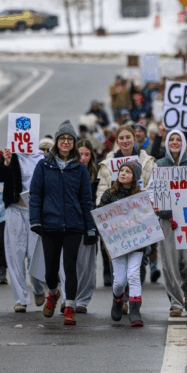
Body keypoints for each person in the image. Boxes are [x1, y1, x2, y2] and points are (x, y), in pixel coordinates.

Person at [29, 120, 98, 326]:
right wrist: (35, 220)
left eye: (70, 139)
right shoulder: (44, 165)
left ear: (74, 143)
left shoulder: (80, 169)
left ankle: (69, 307)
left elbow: (86, 200)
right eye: (62, 139)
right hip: (49, 224)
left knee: (70, 267)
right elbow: (36, 195)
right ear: (57, 142)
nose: (66, 142)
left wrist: (90, 226)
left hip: (74, 225)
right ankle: (53, 293)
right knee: (50, 270)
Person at [95, 124, 156, 287]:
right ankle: (121, 298)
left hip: (139, 219)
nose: (125, 141)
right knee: (118, 262)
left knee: (139, 261)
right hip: (116, 221)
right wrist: (103, 211)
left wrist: (150, 209)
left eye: (128, 137)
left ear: (134, 139)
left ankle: (134, 296)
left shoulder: (147, 161)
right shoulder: (108, 163)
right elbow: (102, 189)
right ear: (117, 140)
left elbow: (153, 186)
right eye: (121, 138)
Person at [0, 145, 47, 313]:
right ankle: (21, 299)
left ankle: (38, 288)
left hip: (35, 212)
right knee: (15, 255)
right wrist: (6, 162)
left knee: (34, 256)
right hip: (14, 209)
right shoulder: (12, 156)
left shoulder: (42, 158)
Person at [155, 129, 187, 316]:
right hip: (167, 219)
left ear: (184, 143)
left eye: (178, 140)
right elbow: (153, 190)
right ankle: (176, 303)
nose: (174, 142)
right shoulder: (159, 165)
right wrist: (154, 204)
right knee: (170, 264)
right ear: (166, 143)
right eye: (171, 139)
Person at [98, 160, 146, 327]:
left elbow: (146, 221)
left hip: (136, 244)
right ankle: (117, 299)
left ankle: (134, 310)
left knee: (133, 275)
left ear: (135, 177)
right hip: (117, 244)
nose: (123, 173)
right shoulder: (109, 194)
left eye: (128, 171)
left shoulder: (141, 196)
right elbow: (100, 216)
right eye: (122, 170)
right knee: (119, 281)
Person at [57, 139, 100, 314]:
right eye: (80, 154)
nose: (83, 158)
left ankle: (82, 300)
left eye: (87, 154)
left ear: (91, 156)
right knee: (66, 262)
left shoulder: (96, 175)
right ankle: (67, 298)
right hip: (69, 222)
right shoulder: (68, 171)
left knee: (87, 264)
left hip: (89, 222)